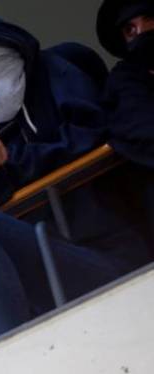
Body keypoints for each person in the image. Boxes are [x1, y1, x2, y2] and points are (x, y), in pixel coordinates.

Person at [0, 12, 149, 336]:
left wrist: (14, 163)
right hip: (49, 257)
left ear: (1, 50)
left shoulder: (56, 73)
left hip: (111, 248)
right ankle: (16, 344)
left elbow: (92, 134)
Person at [98, 0, 154, 251]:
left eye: (150, 20)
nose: (142, 33)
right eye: (130, 30)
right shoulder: (125, 81)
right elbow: (143, 131)